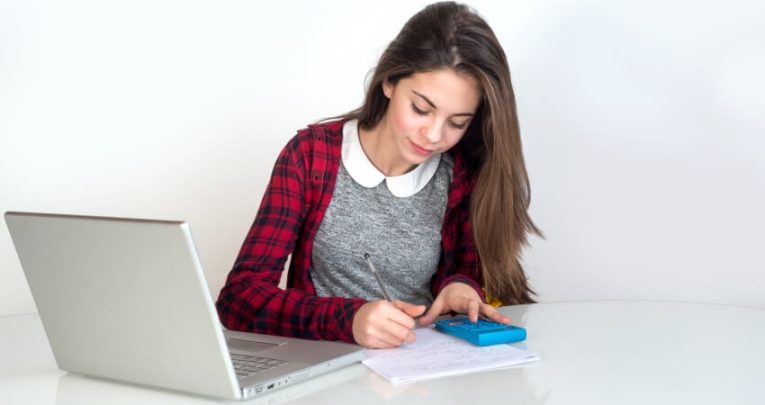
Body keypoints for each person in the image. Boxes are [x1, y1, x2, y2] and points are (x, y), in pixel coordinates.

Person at [216, 1, 541, 349]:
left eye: (457, 122)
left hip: (423, 371)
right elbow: (239, 299)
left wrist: (461, 286)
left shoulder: (459, 175)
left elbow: (466, 270)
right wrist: (350, 320)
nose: (433, 135)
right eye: (421, 108)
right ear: (389, 81)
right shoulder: (311, 156)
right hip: (324, 368)